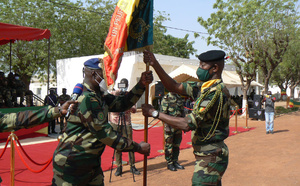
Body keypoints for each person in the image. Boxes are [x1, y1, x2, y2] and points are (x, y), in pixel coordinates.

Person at [52, 58, 153, 185]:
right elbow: (105, 134)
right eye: (103, 74)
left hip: (90, 163)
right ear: (94, 74)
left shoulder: (99, 95)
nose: (107, 78)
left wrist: (141, 84)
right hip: (73, 164)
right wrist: (137, 147)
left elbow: (121, 103)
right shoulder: (87, 98)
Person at [142, 50, 231, 185]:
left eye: (203, 66)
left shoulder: (215, 93)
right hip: (207, 154)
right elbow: (174, 86)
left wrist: (154, 113)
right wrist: (155, 64)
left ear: (215, 68)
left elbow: (187, 124)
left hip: (211, 156)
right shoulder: (204, 88)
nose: (199, 69)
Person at [109, 78, 140, 176]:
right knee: (117, 144)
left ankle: (132, 166)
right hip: (115, 122)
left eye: (125, 85)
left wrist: (127, 104)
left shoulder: (129, 95)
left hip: (126, 123)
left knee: (130, 143)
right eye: (121, 85)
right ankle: (119, 166)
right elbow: (109, 107)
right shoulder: (113, 94)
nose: (123, 88)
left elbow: (134, 109)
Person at [160, 92, 185, 171]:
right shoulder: (166, 98)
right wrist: (166, 126)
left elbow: (182, 112)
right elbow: (163, 114)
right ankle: (169, 163)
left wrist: (184, 123)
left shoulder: (179, 97)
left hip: (178, 125)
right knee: (169, 145)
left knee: (176, 144)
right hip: (169, 126)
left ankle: (175, 161)